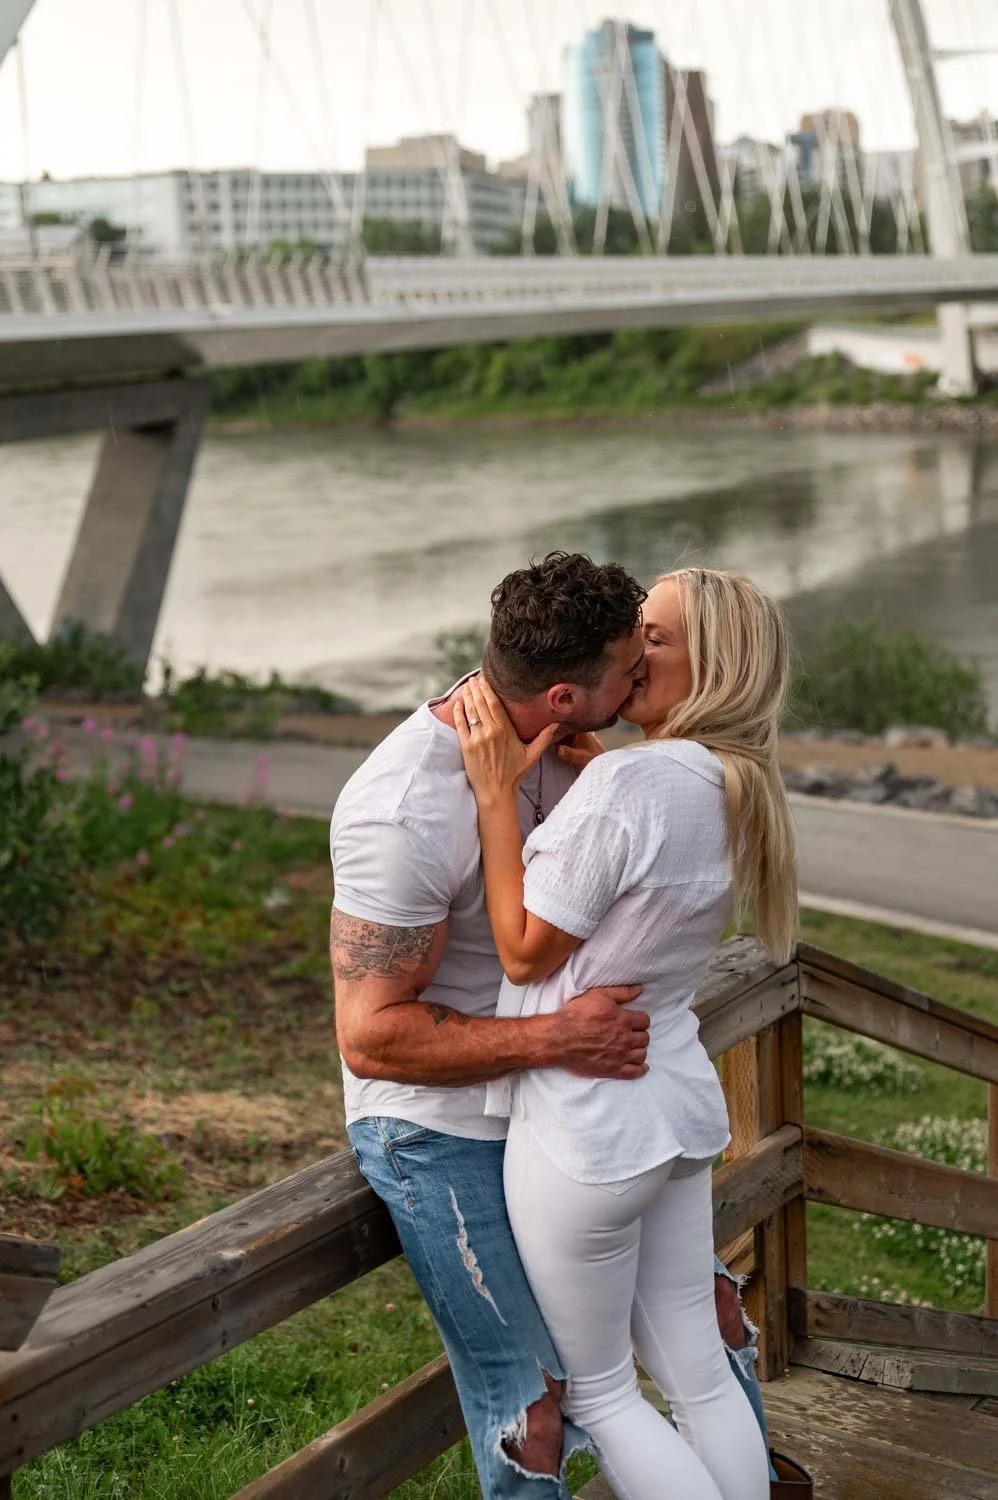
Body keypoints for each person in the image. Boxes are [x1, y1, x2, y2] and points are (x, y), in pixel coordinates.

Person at [330, 553, 773, 1500]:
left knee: (697, 1344)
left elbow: (606, 887)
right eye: (635, 652)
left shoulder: (605, 767)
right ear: (570, 692)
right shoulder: (405, 808)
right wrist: (553, 1040)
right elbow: (372, 1038)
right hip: (454, 1111)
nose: (642, 669)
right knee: (543, 1406)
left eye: (654, 643)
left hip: (587, 1103)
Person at [453, 567, 797, 1500]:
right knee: (694, 1368)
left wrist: (494, 797)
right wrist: (607, 762)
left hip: (589, 1128)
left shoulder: (636, 784)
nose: (629, 649)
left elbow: (525, 952)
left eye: (655, 636)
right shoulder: (731, 781)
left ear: (712, 667)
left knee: (603, 1394)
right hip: (673, 1109)